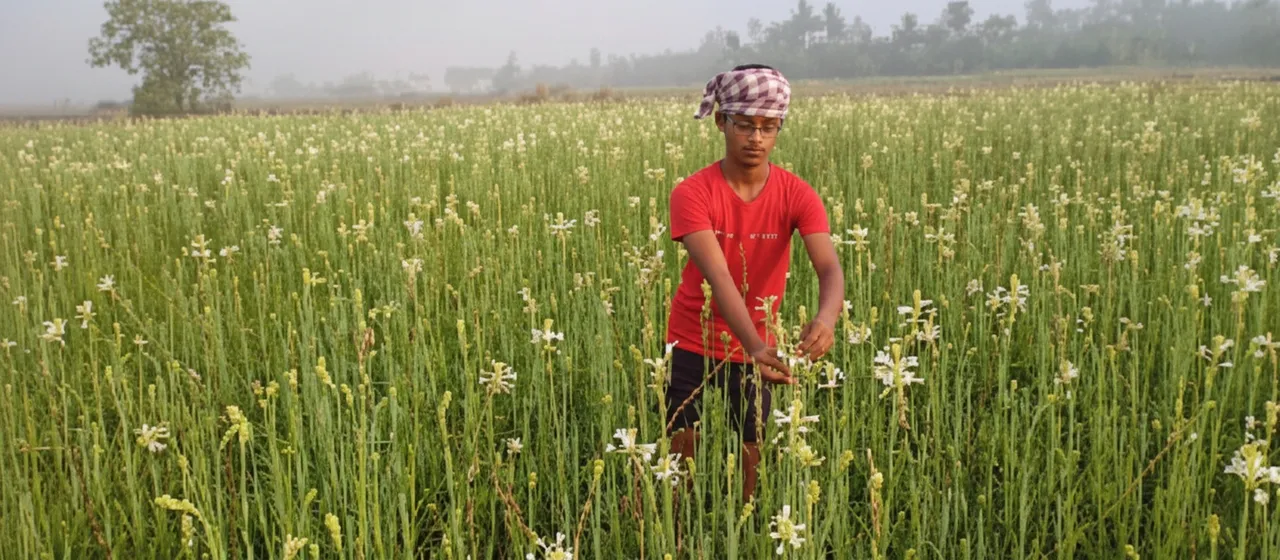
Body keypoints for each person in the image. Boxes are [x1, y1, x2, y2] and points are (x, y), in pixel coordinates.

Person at [664, 64, 845, 502]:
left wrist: (826, 318)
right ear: (721, 121)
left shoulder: (797, 194)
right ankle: (679, 528)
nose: (756, 138)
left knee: (752, 449)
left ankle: (745, 524)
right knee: (680, 453)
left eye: (769, 127)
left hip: (756, 346)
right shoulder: (691, 193)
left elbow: (829, 269)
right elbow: (720, 277)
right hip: (692, 340)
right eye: (745, 125)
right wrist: (756, 347)